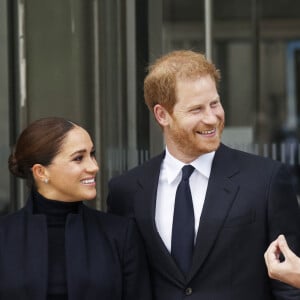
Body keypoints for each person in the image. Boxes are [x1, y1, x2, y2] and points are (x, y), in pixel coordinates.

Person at [107, 50, 300, 299]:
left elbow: (289, 284)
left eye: (215, 103)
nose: (212, 118)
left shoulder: (267, 180)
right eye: (196, 109)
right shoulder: (127, 190)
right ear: (162, 114)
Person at [0, 117, 151, 300]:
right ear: (41, 172)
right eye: (78, 158)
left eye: (92, 154)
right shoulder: (4, 236)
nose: (94, 167)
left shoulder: (120, 235)